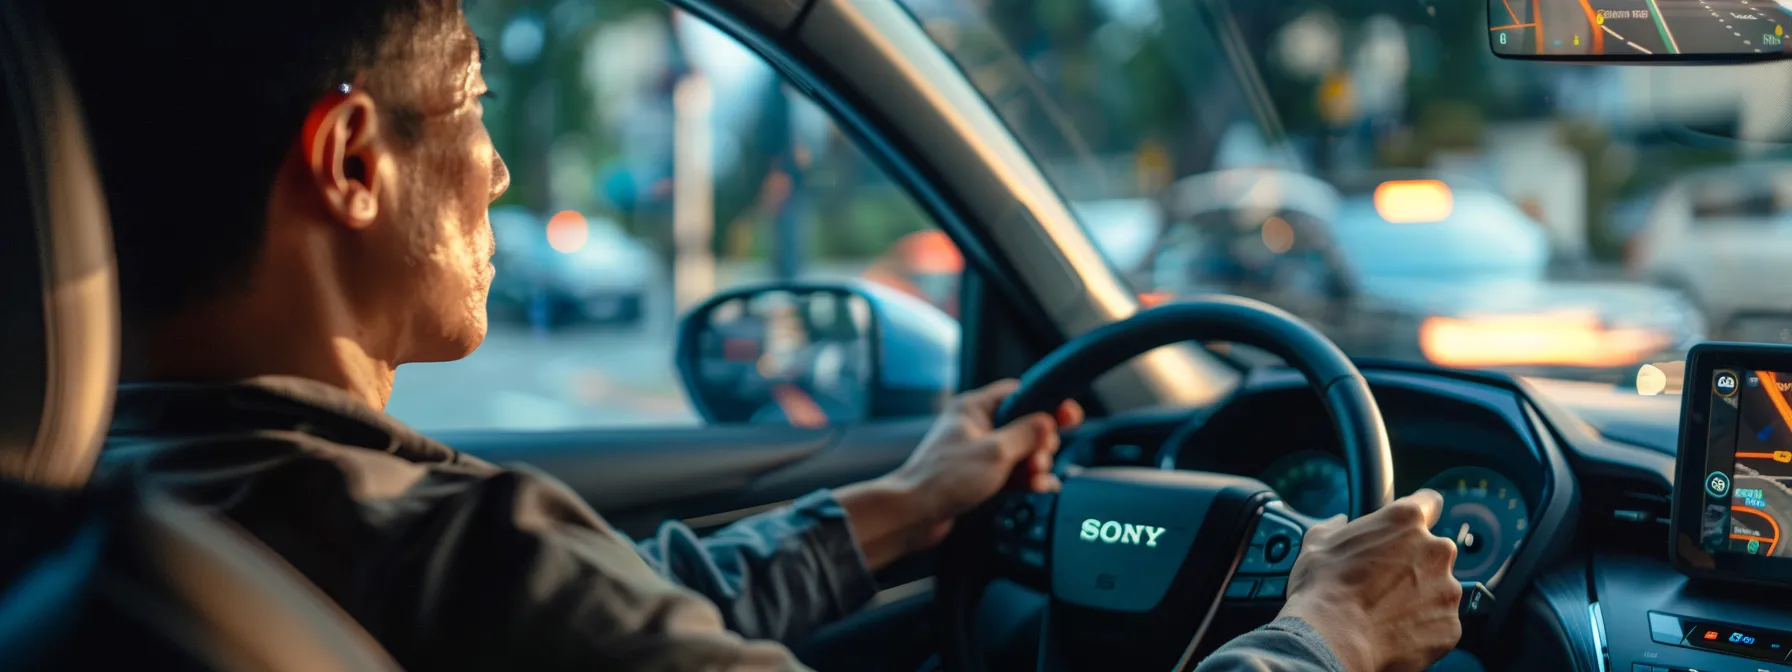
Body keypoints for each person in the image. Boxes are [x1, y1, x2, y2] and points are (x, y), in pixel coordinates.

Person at [47, 1, 1461, 670]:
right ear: (353, 161)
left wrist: (905, 509)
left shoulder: (112, 517)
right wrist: (1319, 632)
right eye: (472, 102)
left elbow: (618, 609)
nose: (499, 171)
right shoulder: (450, 549)